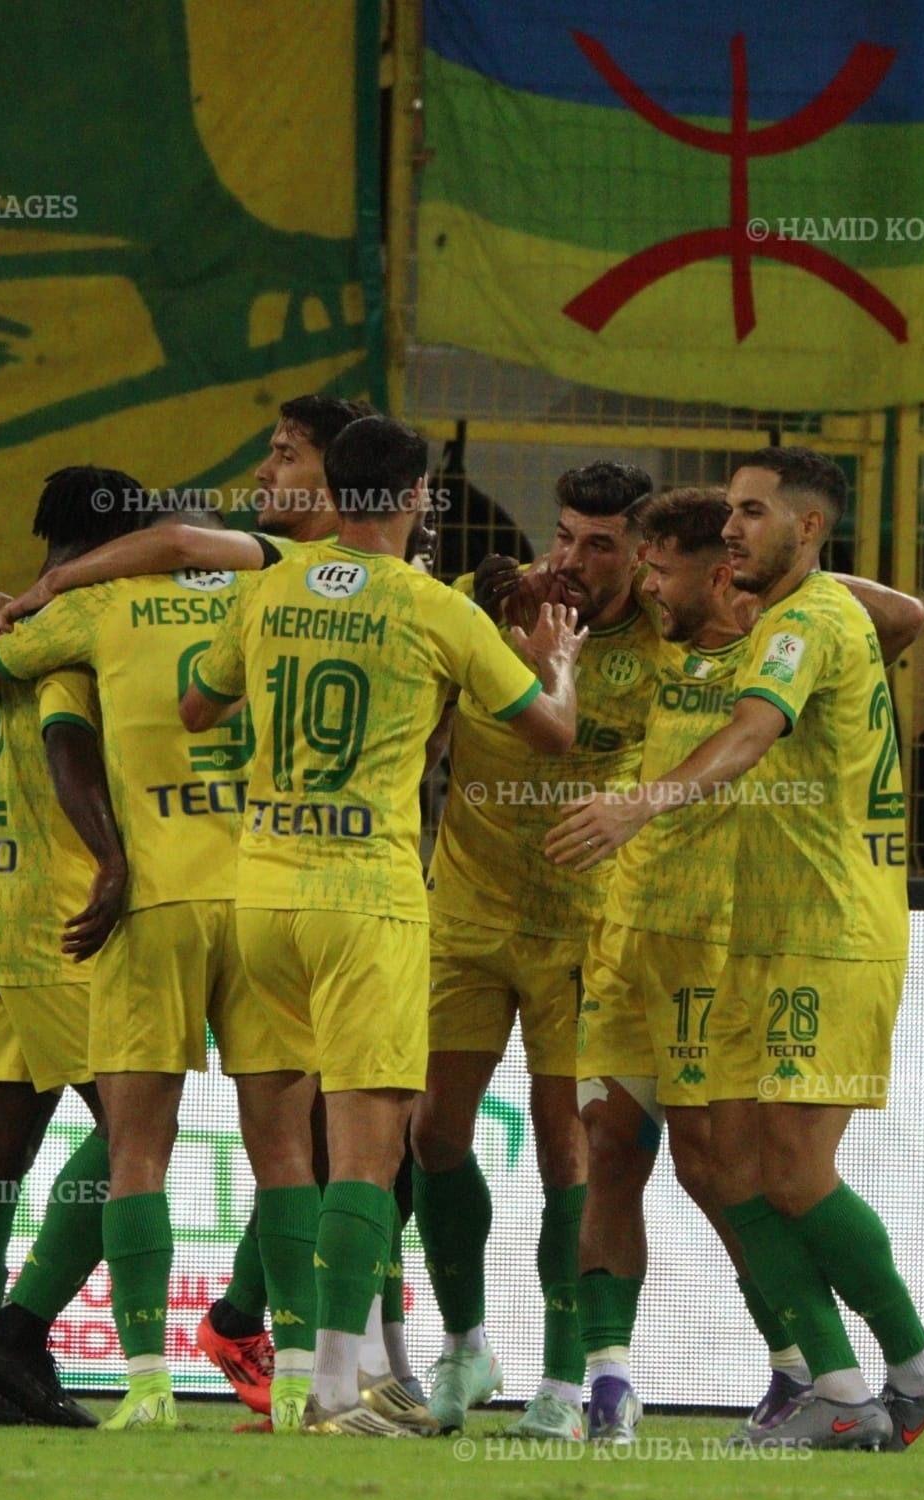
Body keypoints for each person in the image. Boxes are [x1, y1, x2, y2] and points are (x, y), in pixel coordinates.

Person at [181, 414, 586, 1435]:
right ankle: (335, 1386)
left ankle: (287, 1374)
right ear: (416, 498)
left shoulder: (268, 587)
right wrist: (558, 661)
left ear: (330, 491)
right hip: (366, 900)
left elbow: (195, 707)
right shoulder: (433, 608)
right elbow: (552, 732)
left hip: (261, 894)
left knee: (283, 1152)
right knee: (366, 1156)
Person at [548, 447, 924, 1451]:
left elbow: (751, 730)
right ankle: (843, 1385)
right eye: (728, 514)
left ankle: (910, 1368)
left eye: (752, 513)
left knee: (790, 1173)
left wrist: (636, 805)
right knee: (728, 1167)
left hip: (825, 930)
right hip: (757, 935)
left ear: (807, 527)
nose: (733, 530)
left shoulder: (807, 621)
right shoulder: (775, 618)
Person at [0, 491, 319, 1434]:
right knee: (285, 1147)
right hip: (258, 892)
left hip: (100, 904)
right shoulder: (277, 592)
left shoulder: (86, 613)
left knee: (76, 1145)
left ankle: (116, 1379)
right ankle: (303, 1379)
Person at [410, 461, 659, 1439]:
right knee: (431, 1132)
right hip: (465, 918)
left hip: (582, 932)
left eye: (600, 545)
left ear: (641, 554)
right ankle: (466, 1343)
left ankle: (561, 1382)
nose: (573, 560)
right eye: (564, 536)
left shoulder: (667, 636)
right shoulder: (490, 607)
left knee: (570, 1150)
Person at [0, 467, 134, 1427]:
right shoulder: (80, 634)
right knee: (134, 1130)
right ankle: (10, 1339)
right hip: (63, 920)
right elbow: (64, 741)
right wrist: (110, 858)